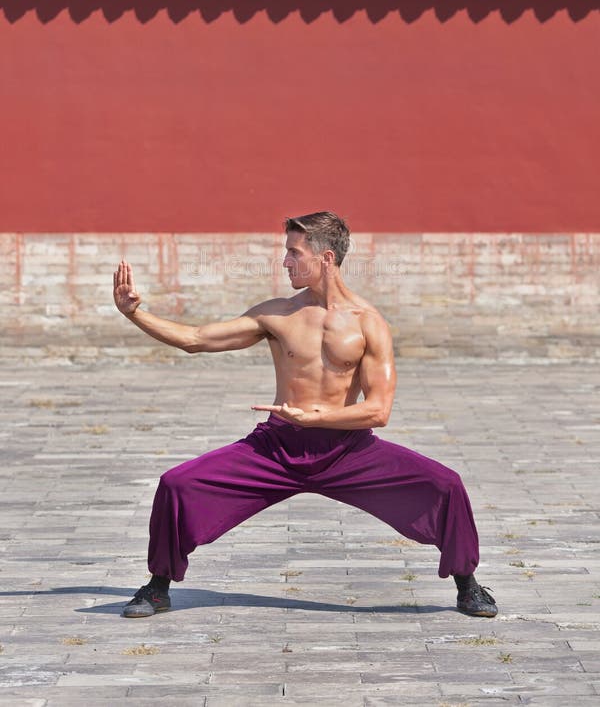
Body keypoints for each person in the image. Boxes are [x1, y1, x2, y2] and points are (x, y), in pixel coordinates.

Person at [113, 211, 497, 619]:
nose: (285, 262)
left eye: (294, 253)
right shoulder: (277, 314)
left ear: (326, 258)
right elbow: (195, 339)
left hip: (347, 450)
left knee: (446, 486)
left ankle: (467, 584)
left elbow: (378, 410)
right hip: (276, 447)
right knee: (177, 485)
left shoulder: (368, 324)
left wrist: (317, 419)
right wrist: (135, 314)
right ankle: (158, 587)